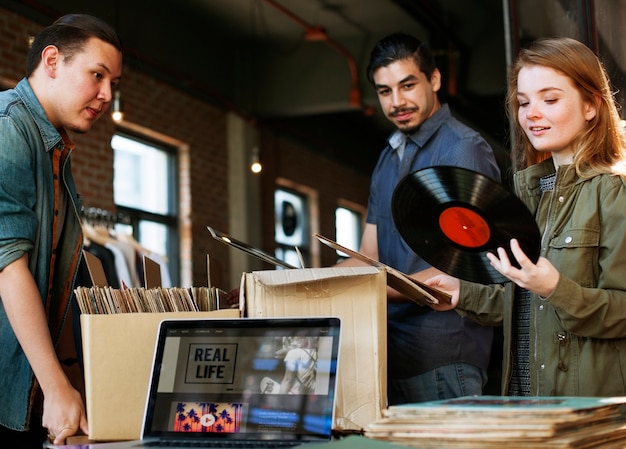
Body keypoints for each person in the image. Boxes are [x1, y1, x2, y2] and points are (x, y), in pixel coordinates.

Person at [426, 37, 626, 397]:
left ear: (591, 105)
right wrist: (462, 294)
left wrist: (555, 288)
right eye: (523, 102)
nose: (532, 112)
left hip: (585, 410)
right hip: (525, 401)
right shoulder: (530, 192)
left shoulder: (615, 191)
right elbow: (528, 306)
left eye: (549, 100)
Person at [337, 33, 501, 405]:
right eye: (384, 91)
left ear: (435, 80)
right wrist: (307, 281)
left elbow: (462, 271)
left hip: (443, 353)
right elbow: (367, 254)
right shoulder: (388, 156)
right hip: (386, 350)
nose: (397, 102)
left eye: (407, 85)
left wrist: (352, 289)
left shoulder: (462, 149)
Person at [0, 14, 122, 445]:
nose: (106, 95)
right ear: (52, 61)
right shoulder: (8, 127)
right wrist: (55, 386)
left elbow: (55, 285)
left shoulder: (55, 150)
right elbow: (7, 265)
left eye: (112, 83)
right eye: (97, 75)